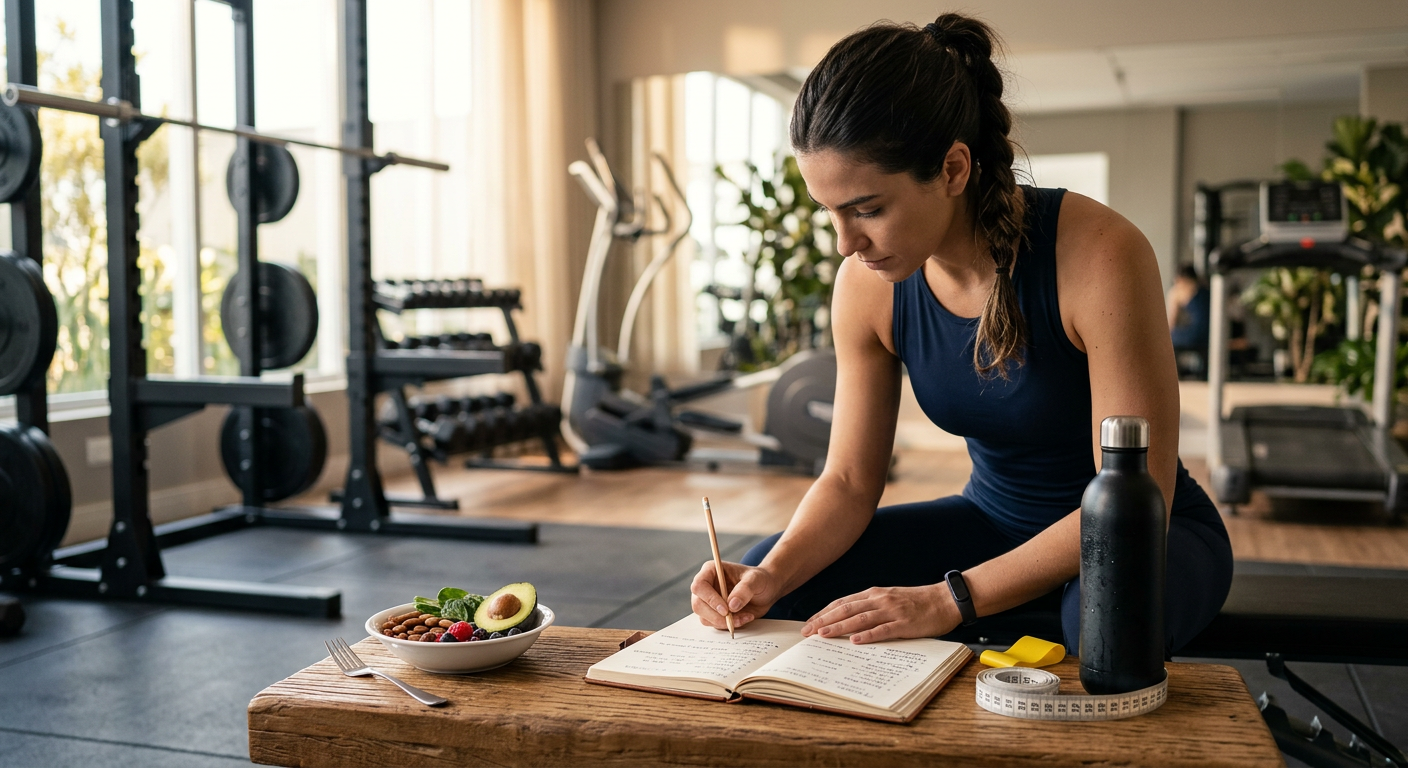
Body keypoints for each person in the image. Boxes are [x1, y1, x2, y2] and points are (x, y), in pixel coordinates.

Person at [690, 13, 1232, 655]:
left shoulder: (1101, 255)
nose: (845, 243)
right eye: (830, 213)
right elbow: (849, 482)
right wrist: (771, 575)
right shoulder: (867, 285)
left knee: (1100, 624)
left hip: (1139, 533)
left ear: (952, 169)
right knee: (773, 579)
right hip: (989, 526)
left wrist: (948, 600)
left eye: (868, 209)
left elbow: (1140, 496)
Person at [1168, 265, 1211, 377]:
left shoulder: (1179, 291)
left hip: (1196, 335)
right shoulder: (1206, 290)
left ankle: (1172, 375)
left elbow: (1173, 321)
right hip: (1210, 335)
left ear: (1181, 278)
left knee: (1168, 339)